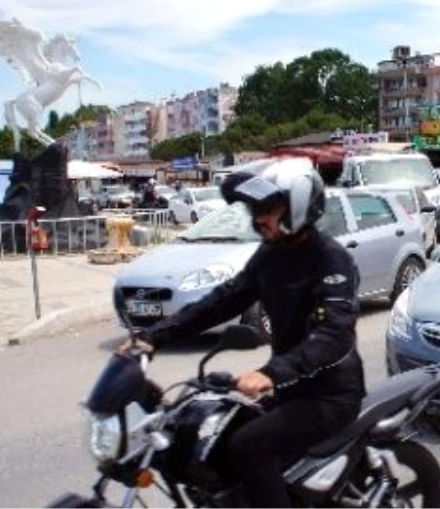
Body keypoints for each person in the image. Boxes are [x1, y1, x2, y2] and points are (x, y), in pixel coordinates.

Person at [122, 159, 364, 509]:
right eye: (255, 209)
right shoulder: (270, 254)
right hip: (287, 388)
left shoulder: (331, 259)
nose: (258, 219)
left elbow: (334, 335)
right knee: (209, 439)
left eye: (267, 209)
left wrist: (270, 373)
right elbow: (222, 301)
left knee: (250, 445)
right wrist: (153, 336)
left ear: (297, 207)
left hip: (330, 396)